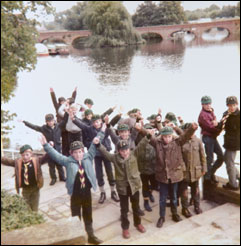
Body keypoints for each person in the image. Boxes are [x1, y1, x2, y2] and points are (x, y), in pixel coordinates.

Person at [39, 127, 106, 245]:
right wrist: (46, 145)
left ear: (83, 151)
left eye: (80, 151)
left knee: (88, 214)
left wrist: (103, 130)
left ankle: (91, 235)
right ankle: (77, 237)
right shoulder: (67, 161)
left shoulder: (88, 156)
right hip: (75, 195)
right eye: (75, 152)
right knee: (76, 216)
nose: (78, 154)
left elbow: (95, 142)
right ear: (71, 153)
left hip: (87, 193)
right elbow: (55, 155)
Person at [138, 123, 198, 228]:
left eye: (169, 136)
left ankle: (175, 214)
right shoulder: (157, 142)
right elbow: (149, 136)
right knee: (162, 198)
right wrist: (140, 129)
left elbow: (186, 135)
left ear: (172, 135)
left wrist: (192, 128)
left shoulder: (178, 141)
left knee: (174, 197)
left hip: (174, 175)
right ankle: (162, 217)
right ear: (161, 136)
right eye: (165, 136)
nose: (167, 139)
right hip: (162, 176)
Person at [96, 139, 147, 239]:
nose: (125, 152)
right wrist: (98, 144)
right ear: (118, 151)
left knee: (136, 207)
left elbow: (141, 145)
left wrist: (148, 135)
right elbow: (106, 154)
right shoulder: (115, 158)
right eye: (122, 151)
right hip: (122, 188)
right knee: (124, 209)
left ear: (129, 149)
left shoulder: (134, 154)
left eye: (126, 149)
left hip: (134, 186)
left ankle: (138, 223)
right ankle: (125, 227)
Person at [72, 114, 119, 204]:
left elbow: (112, 125)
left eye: (97, 121)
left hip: (106, 153)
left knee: (110, 173)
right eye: (94, 122)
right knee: (99, 174)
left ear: (101, 121)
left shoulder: (106, 127)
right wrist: (73, 118)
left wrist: (111, 120)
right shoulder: (90, 129)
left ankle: (113, 191)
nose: (96, 123)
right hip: (97, 155)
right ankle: (102, 193)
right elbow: (81, 125)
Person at [21, 113, 67, 185]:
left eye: (51, 121)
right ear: (46, 122)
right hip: (49, 149)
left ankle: (62, 177)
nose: (50, 122)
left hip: (57, 148)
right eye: (48, 121)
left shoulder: (59, 126)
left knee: (59, 164)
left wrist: (68, 112)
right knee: (51, 165)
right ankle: (53, 179)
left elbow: (65, 121)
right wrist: (24, 122)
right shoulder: (44, 128)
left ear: (54, 120)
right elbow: (34, 127)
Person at [1, 144, 48, 211]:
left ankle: (35, 216)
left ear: (31, 154)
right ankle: (29, 216)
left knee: (35, 206)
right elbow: (7, 161)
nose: (25, 157)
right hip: (25, 189)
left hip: (35, 188)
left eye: (27, 155)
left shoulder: (37, 161)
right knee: (26, 206)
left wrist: (49, 148)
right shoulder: (18, 162)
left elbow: (46, 157)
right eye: (23, 155)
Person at [180, 123, 207, 217]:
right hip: (185, 173)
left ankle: (197, 206)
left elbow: (202, 156)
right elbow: (179, 158)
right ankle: (185, 209)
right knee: (184, 192)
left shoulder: (198, 141)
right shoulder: (182, 142)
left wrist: (204, 168)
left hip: (196, 172)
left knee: (195, 190)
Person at [198, 96, 223, 185]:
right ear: (202, 105)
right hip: (208, 137)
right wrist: (220, 128)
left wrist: (216, 123)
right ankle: (207, 179)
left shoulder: (211, 111)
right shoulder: (203, 115)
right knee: (210, 158)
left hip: (213, 137)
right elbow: (210, 127)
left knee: (221, 156)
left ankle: (210, 173)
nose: (208, 105)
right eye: (206, 104)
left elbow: (214, 121)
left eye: (209, 103)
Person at [218, 96, 240, 190]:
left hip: (235, 143)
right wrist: (217, 124)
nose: (232, 107)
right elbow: (221, 126)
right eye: (230, 105)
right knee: (228, 161)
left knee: (229, 163)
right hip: (228, 142)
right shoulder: (226, 114)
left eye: (234, 105)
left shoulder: (239, 116)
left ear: (237, 104)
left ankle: (233, 184)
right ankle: (238, 177)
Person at [136, 124, 158, 212]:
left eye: (150, 129)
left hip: (153, 169)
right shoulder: (139, 140)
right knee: (145, 186)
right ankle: (146, 202)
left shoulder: (156, 140)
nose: (149, 131)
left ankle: (150, 193)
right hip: (143, 169)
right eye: (147, 129)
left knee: (154, 185)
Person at [50, 87, 77, 156]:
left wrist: (74, 92)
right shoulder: (58, 108)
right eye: (61, 102)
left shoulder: (68, 108)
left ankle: (67, 154)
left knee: (66, 141)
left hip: (66, 127)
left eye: (64, 102)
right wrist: (52, 92)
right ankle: (58, 153)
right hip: (60, 127)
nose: (63, 103)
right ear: (59, 103)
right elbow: (54, 100)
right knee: (58, 140)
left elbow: (72, 100)